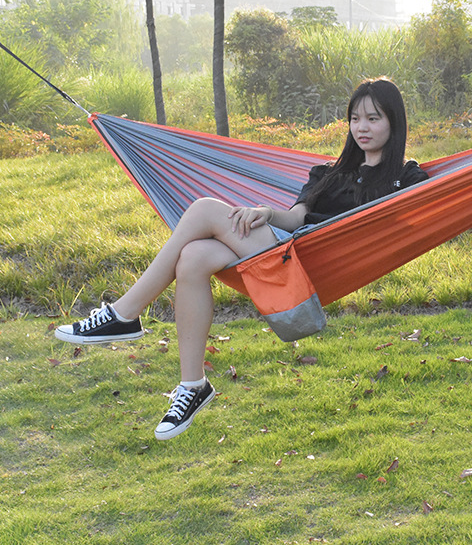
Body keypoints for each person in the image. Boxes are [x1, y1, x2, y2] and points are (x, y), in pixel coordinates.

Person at [54, 78, 428, 440]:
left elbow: (420, 212)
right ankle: (193, 384)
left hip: (313, 264)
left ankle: (123, 314)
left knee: (203, 209)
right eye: (355, 118)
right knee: (193, 257)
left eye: (373, 118)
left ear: (393, 122)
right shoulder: (330, 173)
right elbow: (296, 217)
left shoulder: (407, 178)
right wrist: (266, 212)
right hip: (289, 247)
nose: (361, 127)